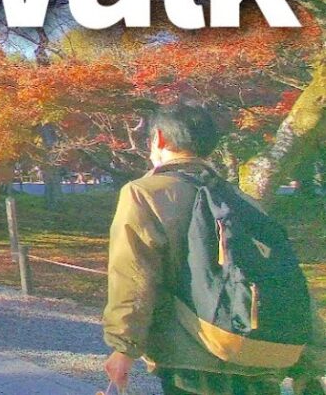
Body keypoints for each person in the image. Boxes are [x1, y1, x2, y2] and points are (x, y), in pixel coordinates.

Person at [103, 104, 326, 395]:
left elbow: (133, 276)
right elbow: (284, 275)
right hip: (261, 355)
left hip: (194, 358)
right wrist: (309, 361)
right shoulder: (240, 198)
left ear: (159, 138)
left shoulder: (144, 193)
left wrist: (123, 348)